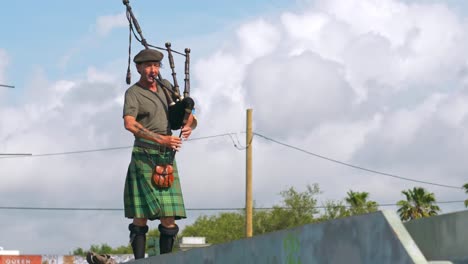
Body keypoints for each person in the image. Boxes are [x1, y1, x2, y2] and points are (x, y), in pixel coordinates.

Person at [122, 48, 197, 259]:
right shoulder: (133, 93)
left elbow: (188, 117)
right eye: (147, 66)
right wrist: (160, 138)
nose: (152, 70)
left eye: (155, 66)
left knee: (168, 216)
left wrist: (191, 125)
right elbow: (129, 124)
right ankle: (139, 261)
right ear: (138, 68)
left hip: (167, 157)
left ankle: (165, 260)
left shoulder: (167, 89)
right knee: (141, 215)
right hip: (144, 155)